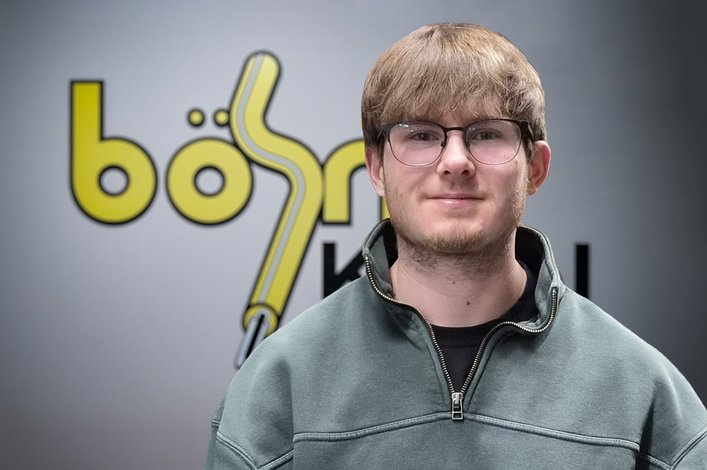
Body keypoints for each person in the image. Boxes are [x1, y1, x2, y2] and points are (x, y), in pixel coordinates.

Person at [207, 23, 707, 469]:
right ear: (377, 169)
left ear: (535, 168)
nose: (455, 161)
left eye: (486, 134)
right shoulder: (279, 386)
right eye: (422, 135)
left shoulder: (644, 395)